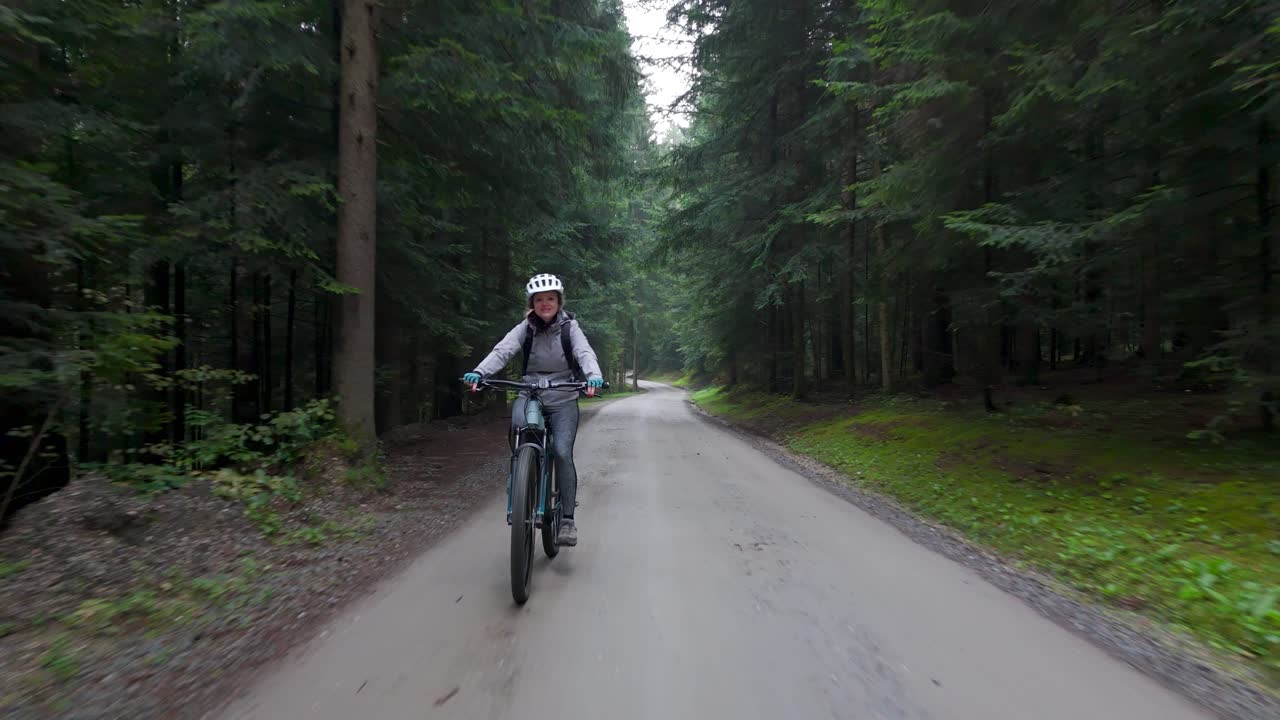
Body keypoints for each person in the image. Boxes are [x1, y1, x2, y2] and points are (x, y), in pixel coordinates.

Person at [463, 273, 604, 546]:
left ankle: (567, 519)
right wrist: (480, 371)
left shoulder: (569, 327)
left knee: (562, 453)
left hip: (563, 396)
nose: (545, 304)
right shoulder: (525, 328)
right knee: (520, 434)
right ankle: (522, 482)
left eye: (550, 299)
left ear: (559, 301)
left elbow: (584, 352)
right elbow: (502, 350)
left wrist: (593, 375)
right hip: (530, 394)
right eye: (539, 300)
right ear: (533, 303)